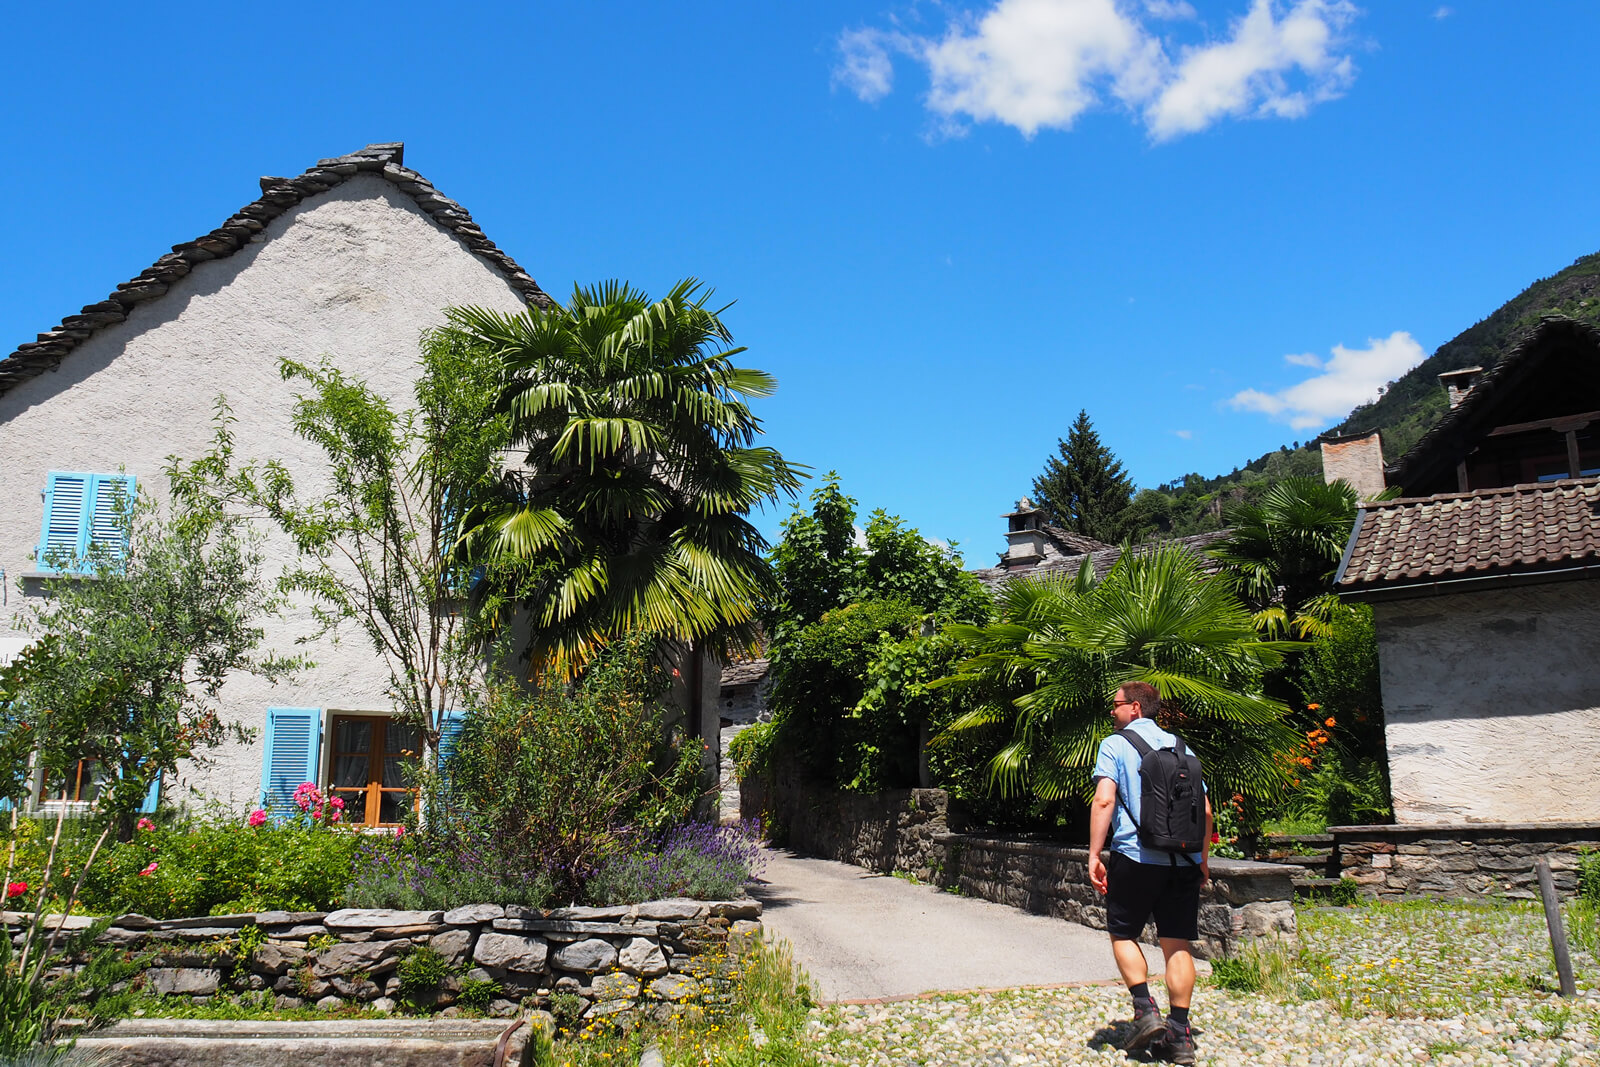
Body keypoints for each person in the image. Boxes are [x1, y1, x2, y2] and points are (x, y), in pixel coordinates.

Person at [1087, 681, 1212, 1065]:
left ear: (1136, 708)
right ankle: (1180, 1036)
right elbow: (1205, 811)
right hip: (1183, 861)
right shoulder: (1181, 747)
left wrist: (1094, 854)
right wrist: (1202, 860)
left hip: (1136, 857)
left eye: (1117, 705)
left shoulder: (1115, 744)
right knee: (1177, 944)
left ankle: (1144, 1009)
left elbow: (1105, 798)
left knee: (1122, 932)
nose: (1113, 711)